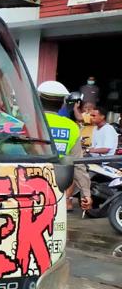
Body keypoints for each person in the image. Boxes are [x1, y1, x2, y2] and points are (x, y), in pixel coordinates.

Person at [37, 81, 90, 211]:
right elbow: (78, 164)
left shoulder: (29, 120)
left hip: (26, 182)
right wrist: (86, 194)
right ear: (62, 103)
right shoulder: (72, 127)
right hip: (56, 187)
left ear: (38, 99)